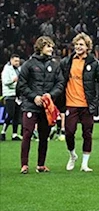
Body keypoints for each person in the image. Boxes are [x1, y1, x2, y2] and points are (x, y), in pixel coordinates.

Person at [61, 33, 99, 172]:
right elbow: (59, 82)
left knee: (87, 133)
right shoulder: (66, 62)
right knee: (69, 132)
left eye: (81, 45)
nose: (78, 47)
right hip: (71, 103)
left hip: (87, 104)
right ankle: (72, 155)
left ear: (87, 47)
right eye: (77, 44)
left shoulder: (94, 63)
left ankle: (85, 164)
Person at [18, 36, 64, 174]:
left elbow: (60, 83)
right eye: (48, 46)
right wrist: (34, 97)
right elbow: (22, 84)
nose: (51, 49)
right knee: (27, 133)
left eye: (52, 47)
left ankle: (41, 165)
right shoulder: (29, 64)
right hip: (30, 105)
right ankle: (24, 165)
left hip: (46, 107)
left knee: (44, 136)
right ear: (40, 47)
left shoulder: (55, 65)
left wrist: (51, 95)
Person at [1, 54, 22, 141]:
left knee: (17, 115)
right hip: (9, 94)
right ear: (11, 60)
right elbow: (5, 82)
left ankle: (14, 134)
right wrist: (13, 80)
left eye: (18, 61)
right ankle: (3, 132)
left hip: (18, 95)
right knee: (10, 114)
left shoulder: (19, 69)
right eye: (15, 61)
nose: (17, 63)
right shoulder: (6, 69)